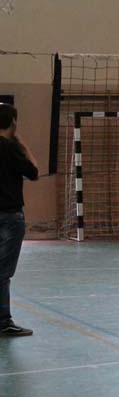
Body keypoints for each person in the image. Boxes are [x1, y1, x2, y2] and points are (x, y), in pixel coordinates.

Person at [0, 104, 39, 337]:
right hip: (9, 217)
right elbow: (34, 171)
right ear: (13, 122)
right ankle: (4, 321)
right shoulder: (11, 148)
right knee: (3, 272)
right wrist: (22, 144)